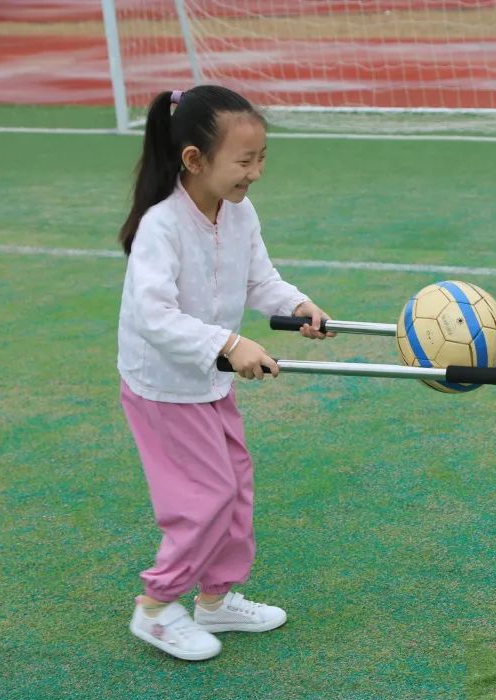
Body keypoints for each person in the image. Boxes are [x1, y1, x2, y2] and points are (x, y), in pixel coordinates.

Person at [117, 85, 334, 661]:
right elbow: (153, 315)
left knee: (234, 487)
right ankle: (157, 607)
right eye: (244, 161)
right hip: (162, 385)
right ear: (194, 159)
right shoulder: (160, 227)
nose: (255, 172)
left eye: (261, 158)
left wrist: (296, 306)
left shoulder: (238, 213)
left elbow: (259, 280)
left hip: (208, 380)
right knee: (205, 495)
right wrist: (229, 343)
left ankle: (215, 599)